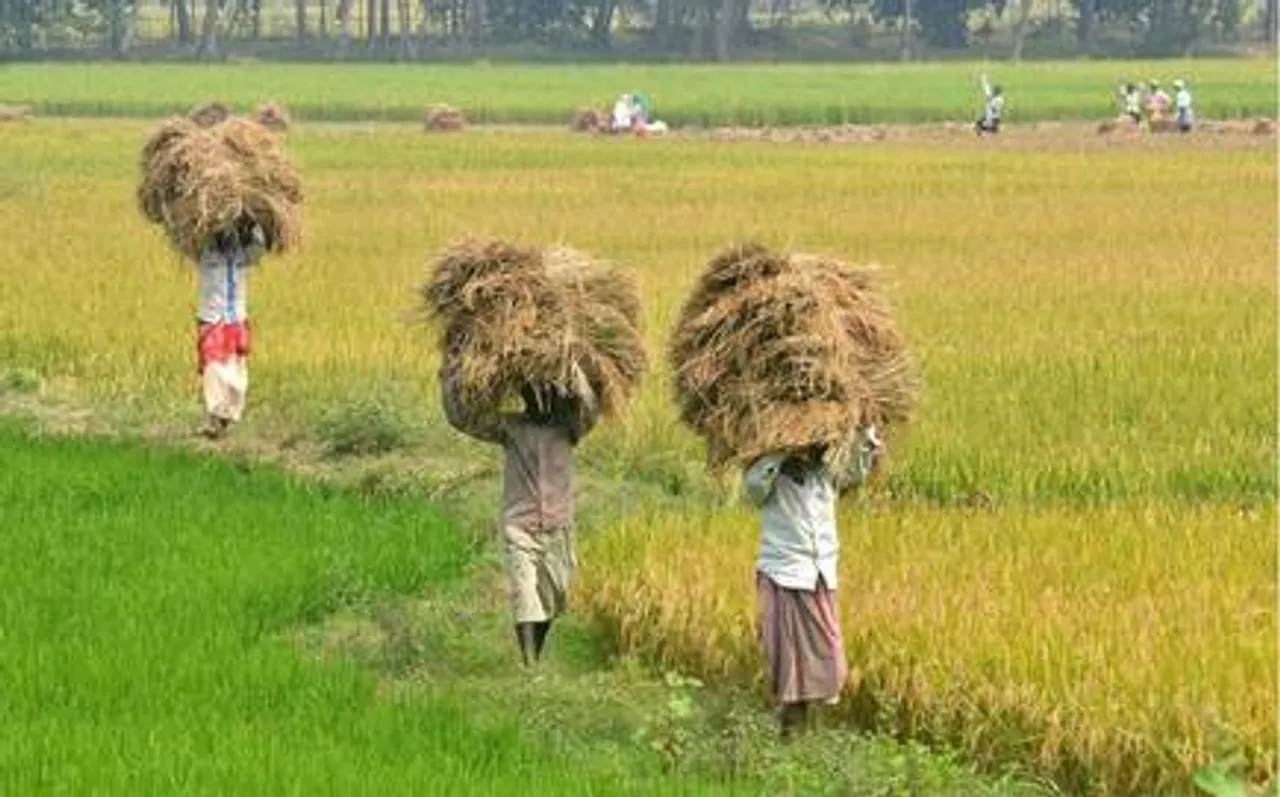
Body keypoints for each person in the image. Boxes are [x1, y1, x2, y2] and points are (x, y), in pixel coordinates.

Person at [440, 369, 599, 667]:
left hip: (558, 527)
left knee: (555, 599)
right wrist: (449, 380)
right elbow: (463, 420)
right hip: (519, 527)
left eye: (545, 395)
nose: (538, 401)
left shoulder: (570, 428)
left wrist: (576, 373)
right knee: (524, 594)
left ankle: (534, 653)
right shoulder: (510, 428)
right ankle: (529, 664)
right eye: (532, 395)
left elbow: (591, 408)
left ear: (556, 398)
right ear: (524, 398)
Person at [742, 410, 882, 740]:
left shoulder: (825, 474)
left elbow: (855, 473)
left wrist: (865, 432)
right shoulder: (770, 475)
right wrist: (783, 447)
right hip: (785, 577)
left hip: (820, 577)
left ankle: (803, 735)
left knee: (830, 663)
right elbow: (753, 490)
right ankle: (790, 736)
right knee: (790, 670)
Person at [195, 217, 265, 440]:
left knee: (235, 368)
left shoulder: (241, 257)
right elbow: (189, 235)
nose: (226, 237)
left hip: (236, 320)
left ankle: (228, 415)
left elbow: (259, 246)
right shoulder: (206, 255)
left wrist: (255, 223)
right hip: (213, 319)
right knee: (213, 368)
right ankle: (215, 416)